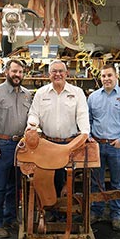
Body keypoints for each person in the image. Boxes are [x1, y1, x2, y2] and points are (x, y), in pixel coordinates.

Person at [27, 59, 90, 208]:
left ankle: (64, 211)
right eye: (54, 71)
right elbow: (34, 114)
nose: (58, 74)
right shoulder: (41, 93)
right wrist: (31, 126)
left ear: (67, 73)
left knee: (67, 180)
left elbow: (82, 115)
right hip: (47, 144)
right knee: (49, 179)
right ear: (49, 74)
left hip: (70, 143)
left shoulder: (77, 93)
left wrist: (85, 133)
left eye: (61, 71)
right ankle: (48, 210)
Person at [0, 59, 32, 238]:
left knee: (15, 185)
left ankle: (10, 218)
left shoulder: (27, 94)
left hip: (22, 145)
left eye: (20, 72)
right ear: (6, 72)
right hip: (3, 145)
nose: (17, 75)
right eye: (14, 71)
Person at [88, 63, 120, 231]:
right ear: (100, 78)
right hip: (96, 145)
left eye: (109, 75)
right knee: (97, 182)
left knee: (117, 183)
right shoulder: (93, 97)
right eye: (103, 76)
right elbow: (86, 121)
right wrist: (89, 139)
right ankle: (96, 211)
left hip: (116, 147)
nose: (106, 79)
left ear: (116, 76)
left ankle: (116, 215)